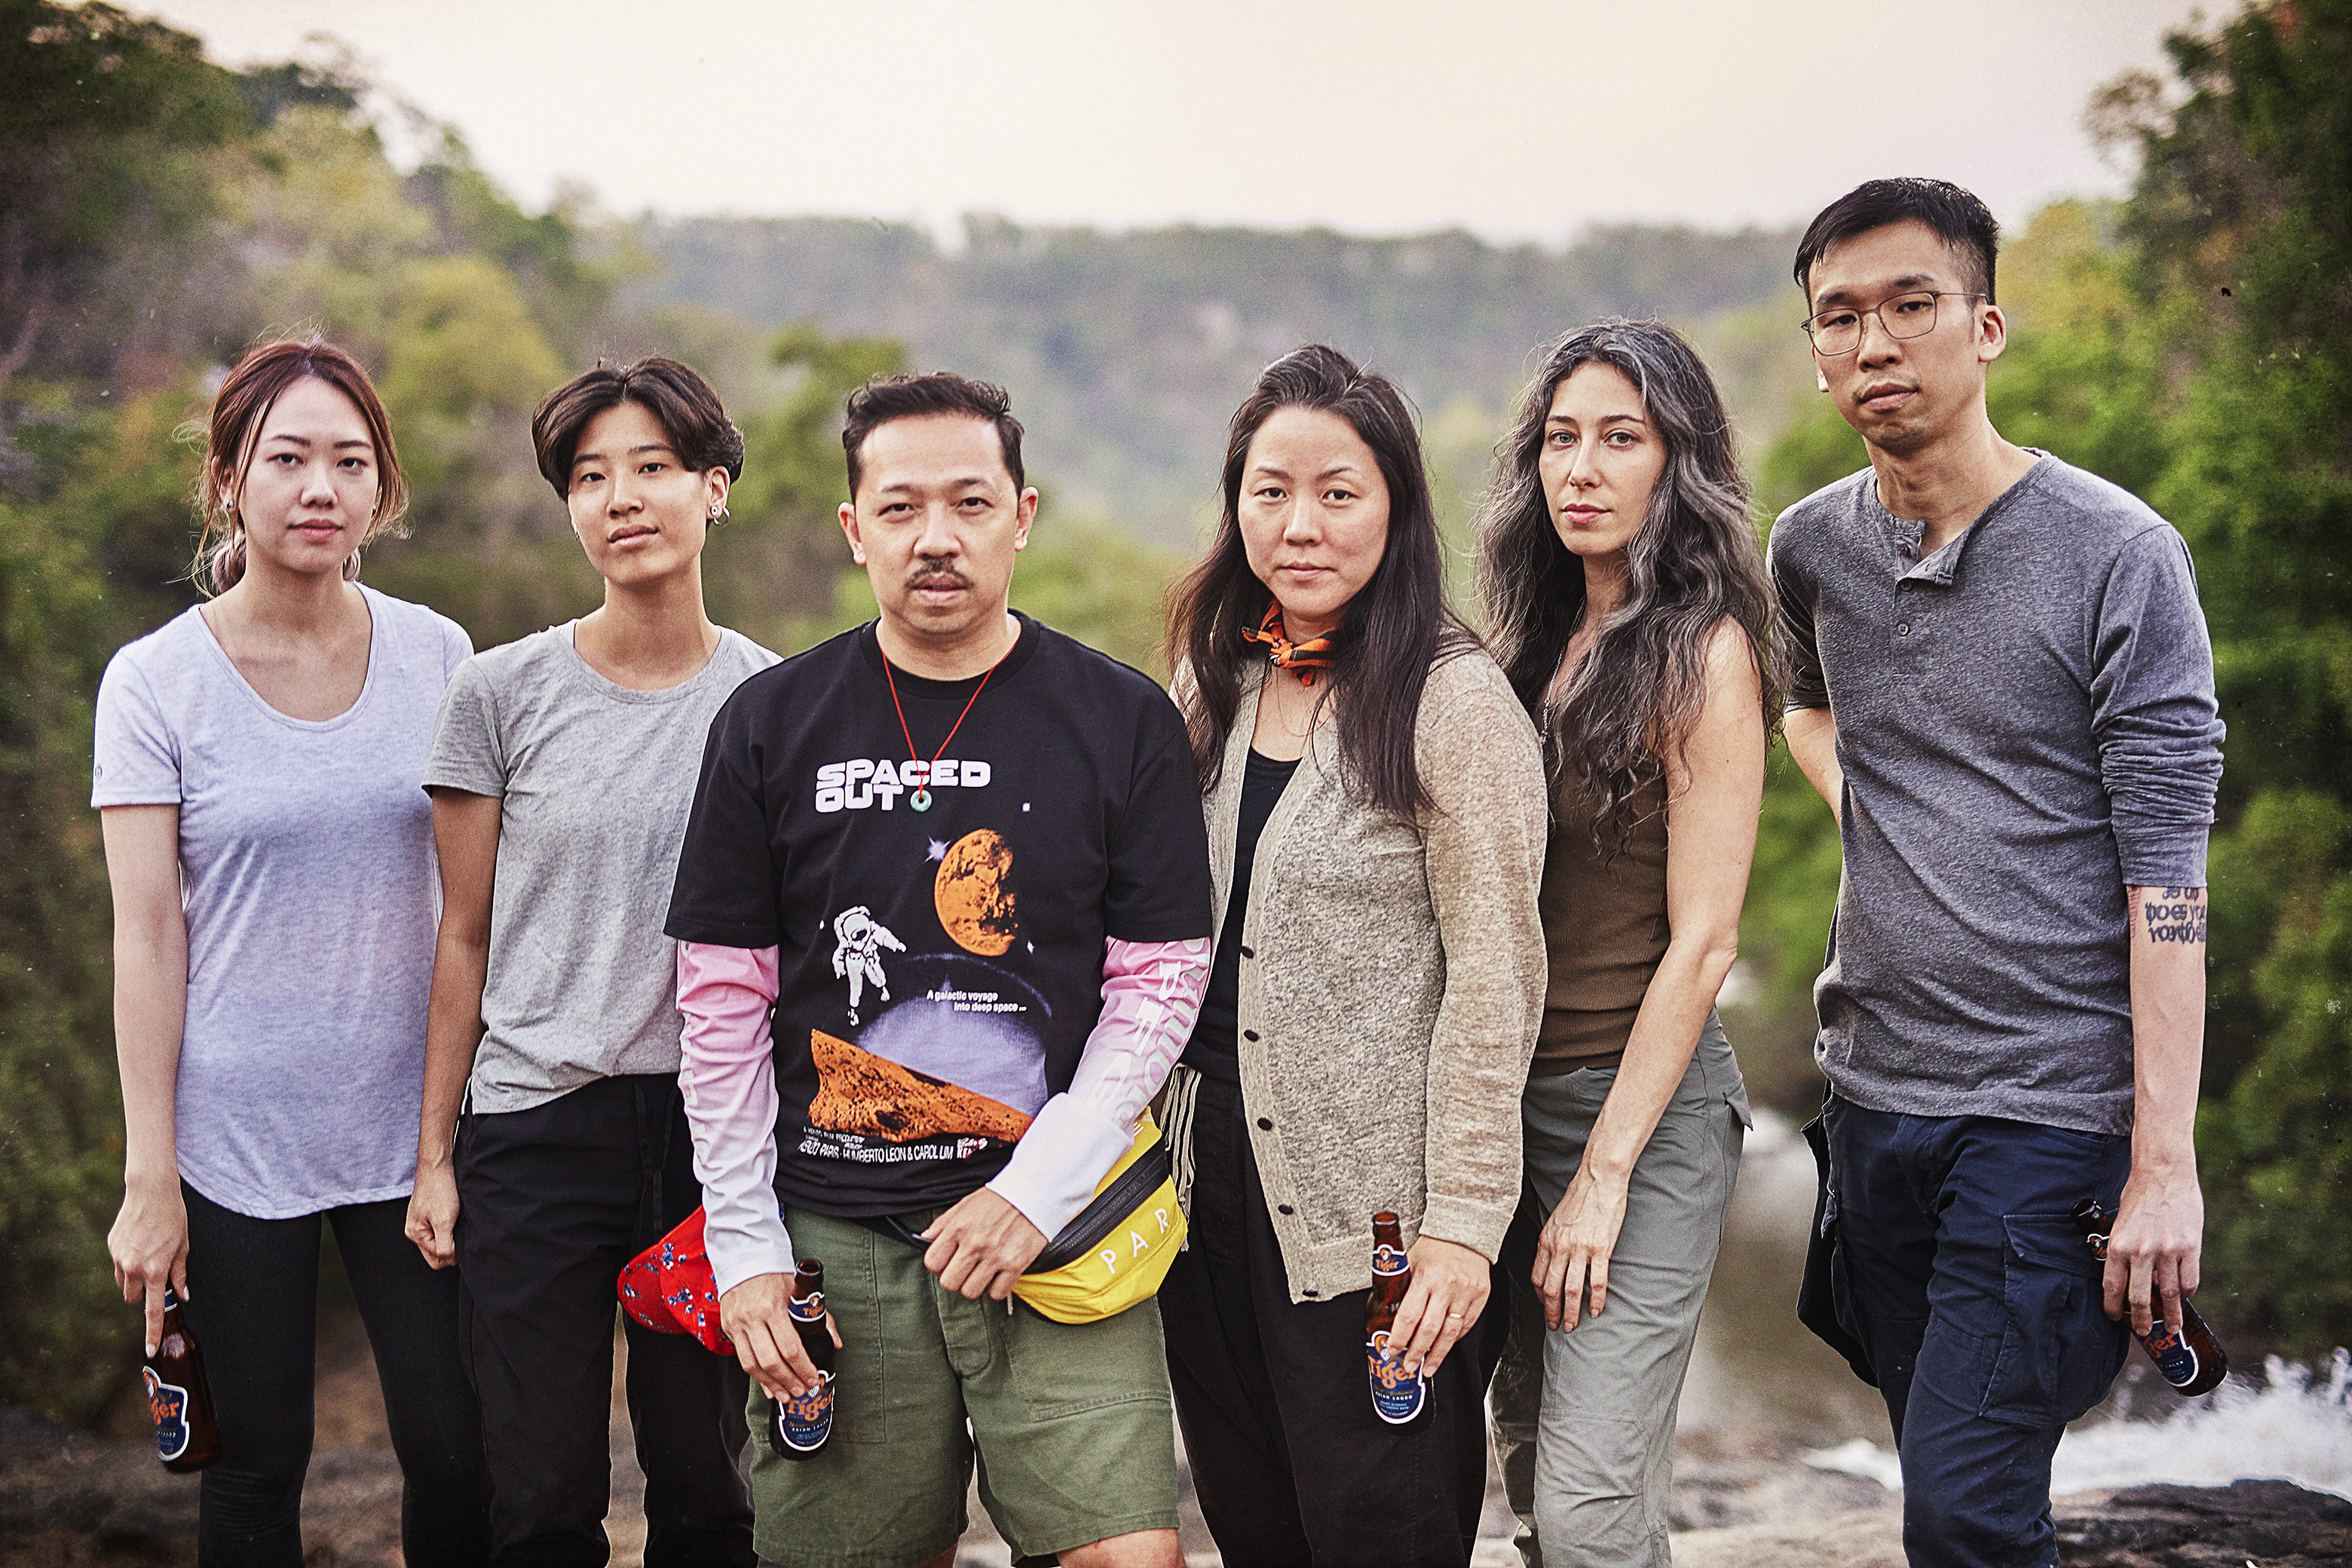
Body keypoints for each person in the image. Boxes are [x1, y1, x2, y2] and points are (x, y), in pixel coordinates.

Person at [662, 371, 1216, 1568]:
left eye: (970, 502)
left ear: (1023, 514)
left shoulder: (1119, 719)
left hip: (1061, 1224)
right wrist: (746, 1248)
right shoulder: (770, 722)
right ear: (854, 528)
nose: (937, 537)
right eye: (902, 507)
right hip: (837, 1233)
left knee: (1126, 1555)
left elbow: (1162, 979)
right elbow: (719, 1008)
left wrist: (1040, 1186)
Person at [1769, 177, 2224, 1568]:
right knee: (1952, 1483)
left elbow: (2171, 883)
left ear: (1987, 327)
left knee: (1963, 1512)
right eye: (1841, 318)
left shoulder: (2120, 558)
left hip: (2045, 1119)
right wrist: (1890, 815)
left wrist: (2164, 1165)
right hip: (1871, 1103)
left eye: (1913, 307)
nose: (1877, 345)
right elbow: (1804, 702)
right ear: (1816, 351)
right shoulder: (1812, 549)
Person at [93, 338, 492, 1566]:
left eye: (350, 461)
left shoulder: (440, 656)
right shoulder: (156, 683)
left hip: (414, 1130)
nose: (320, 487)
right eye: (288, 459)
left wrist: (459, 1130)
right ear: (228, 479)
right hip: (236, 1138)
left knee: (457, 1448)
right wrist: (149, 1176)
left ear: (382, 490)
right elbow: (149, 935)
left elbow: (477, 908)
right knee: (255, 1466)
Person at [1156, 343, 1548, 1568]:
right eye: (1270, 490)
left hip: (1380, 1221)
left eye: (1340, 492)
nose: (1300, 525)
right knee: (1254, 1528)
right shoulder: (1212, 677)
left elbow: (1497, 978)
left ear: (1396, 507)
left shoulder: (1454, 700)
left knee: (1383, 1535)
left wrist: (1465, 1229)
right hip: (1203, 1197)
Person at [402, 356, 773, 1566]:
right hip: (535, 1131)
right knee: (543, 1496)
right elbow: (461, 933)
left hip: (710, 1138)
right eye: (591, 475)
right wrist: (435, 1158)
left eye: (654, 469)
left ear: (714, 488)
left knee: (706, 1489)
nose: (622, 497)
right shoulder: (498, 694)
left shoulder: (772, 702)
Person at [1474, 320, 1770, 1567]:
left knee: (1596, 1509)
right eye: (1559, 440)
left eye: (1620, 439)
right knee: (1537, 1473)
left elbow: (1704, 945)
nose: (1580, 469)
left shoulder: (1705, 654)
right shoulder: (1522, 650)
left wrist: (1601, 1174)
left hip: (1636, 1119)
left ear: (1676, 462)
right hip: (1500, 1109)